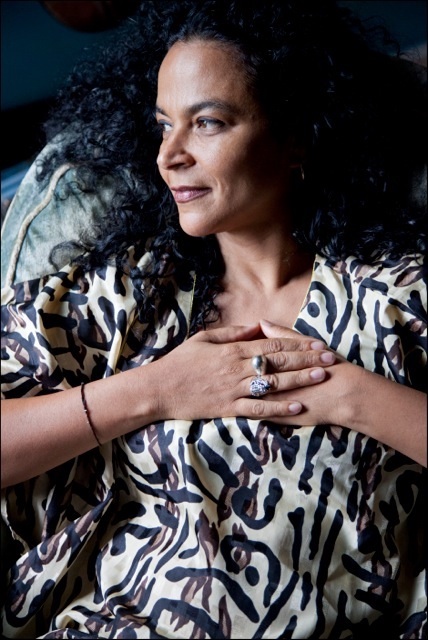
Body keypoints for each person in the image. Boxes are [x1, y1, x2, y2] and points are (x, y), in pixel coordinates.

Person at [1, 0, 426, 637]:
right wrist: (155, 391)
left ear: (296, 137)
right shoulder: (131, 293)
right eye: (164, 125)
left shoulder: (397, 295)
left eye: (208, 123)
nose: (170, 154)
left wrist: (349, 396)